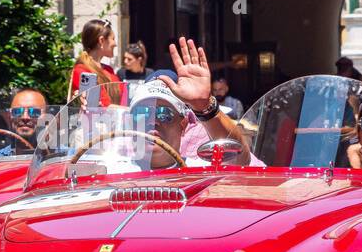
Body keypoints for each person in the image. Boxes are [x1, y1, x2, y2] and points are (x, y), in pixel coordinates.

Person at [123, 40, 256, 169]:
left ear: (184, 124)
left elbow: (239, 159)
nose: (152, 121)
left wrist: (204, 106)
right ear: (130, 123)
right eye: (142, 113)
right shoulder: (114, 170)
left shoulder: (199, 171)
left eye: (164, 114)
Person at [69, 19, 127, 107]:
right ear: (102, 41)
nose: (115, 44)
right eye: (113, 39)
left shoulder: (109, 70)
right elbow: (101, 105)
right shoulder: (81, 70)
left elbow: (124, 98)